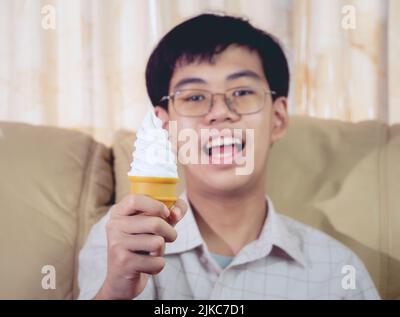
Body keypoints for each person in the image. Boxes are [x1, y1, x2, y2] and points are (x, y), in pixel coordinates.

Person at [78, 13, 379, 300]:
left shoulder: (338, 269)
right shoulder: (117, 240)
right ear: (164, 127)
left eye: (242, 92)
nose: (220, 112)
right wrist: (115, 292)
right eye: (195, 97)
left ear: (278, 118)